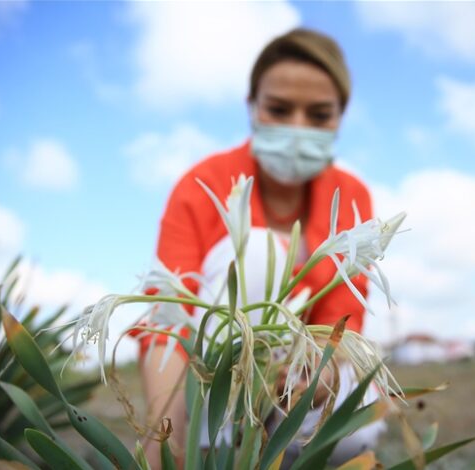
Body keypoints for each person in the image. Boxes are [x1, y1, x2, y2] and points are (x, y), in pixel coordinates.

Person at [134, 28, 381, 468]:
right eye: (279, 109)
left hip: (300, 378)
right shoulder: (202, 183)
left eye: (319, 114)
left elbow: (343, 319)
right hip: (210, 375)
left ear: (340, 117)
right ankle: (214, 435)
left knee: (359, 428)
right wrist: (163, 449)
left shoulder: (353, 195)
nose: (297, 127)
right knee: (259, 252)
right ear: (252, 107)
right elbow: (167, 315)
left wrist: (320, 372)